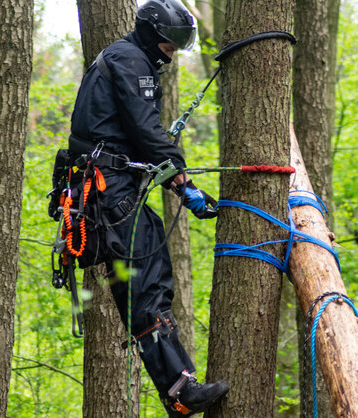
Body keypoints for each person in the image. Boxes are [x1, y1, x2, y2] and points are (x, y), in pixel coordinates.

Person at [67, 0, 229, 415]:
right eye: (167, 45)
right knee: (146, 286)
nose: (170, 54)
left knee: (150, 282)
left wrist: (175, 181)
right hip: (110, 191)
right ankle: (179, 391)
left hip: (114, 190)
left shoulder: (129, 57)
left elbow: (138, 133)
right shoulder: (129, 59)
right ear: (148, 33)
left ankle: (179, 387)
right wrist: (183, 180)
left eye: (176, 47)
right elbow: (144, 128)